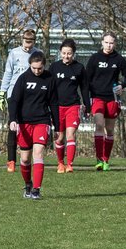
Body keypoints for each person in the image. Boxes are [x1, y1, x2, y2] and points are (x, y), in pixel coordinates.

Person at [9, 49, 59, 199]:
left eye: (40, 68)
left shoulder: (50, 79)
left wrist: (57, 126)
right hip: (24, 123)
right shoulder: (23, 78)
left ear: (44, 65)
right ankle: (28, 184)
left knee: (38, 153)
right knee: (25, 159)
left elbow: (54, 103)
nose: (37, 71)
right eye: (34, 68)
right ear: (29, 65)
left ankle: (36, 190)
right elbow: (14, 100)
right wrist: (13, 119)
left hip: (42, 121)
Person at [85, 31, 126, 170]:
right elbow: (86, 80)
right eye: (106, 42)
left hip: (112, 98)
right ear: (102, 42)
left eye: (111, 43)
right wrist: (86, 99)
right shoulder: (95, 58)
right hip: (97, 97)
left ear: (115, 44)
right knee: (99, 124)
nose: (109, 45)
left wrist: (122, 86)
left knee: (110, 129)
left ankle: (106, 159)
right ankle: (99, 159)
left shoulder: (118, 59)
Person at [0, 29, 37, 172]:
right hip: (14, 94)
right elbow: (8, 73)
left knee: (29, 126)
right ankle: (11, 160)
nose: (27, 46)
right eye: (26, 43)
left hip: (30, 96)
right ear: (22, 40)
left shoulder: (37, 54)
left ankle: (29, 158)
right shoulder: (14, 53)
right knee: (13, 125)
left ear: (34, 42)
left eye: (30, 43)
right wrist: (2, 93)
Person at [50, 38, 87, 173]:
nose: (66, 56)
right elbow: (49, 87)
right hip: (57, 107)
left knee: (70, 135)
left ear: (74, 53)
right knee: (59, 137)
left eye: (69, 53)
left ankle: (70, 164)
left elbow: (84, 88)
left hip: (73, 106)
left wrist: (87, 105)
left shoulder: (79, 68)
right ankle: (60, 163)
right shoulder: (54, 67)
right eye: (64, 53)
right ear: (60, 52)